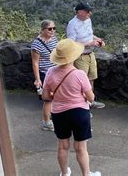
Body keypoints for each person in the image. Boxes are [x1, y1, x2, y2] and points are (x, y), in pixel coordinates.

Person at [42, 38, 101, 176]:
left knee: (63, 146)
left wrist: (57, 96)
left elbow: (45, 96)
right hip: (79, 113)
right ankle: (86, 174)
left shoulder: (50, 72)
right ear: (74, 56)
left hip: (59, 113)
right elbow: (91, 98)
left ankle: (64, 173)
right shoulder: (80, 74)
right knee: (81, 147)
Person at [66, 2, 105, 109]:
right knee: (82, 81)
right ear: (79, 12)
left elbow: (90, 35)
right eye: (87, 11)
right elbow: (71, 44)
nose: (90, 13)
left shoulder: (88, 20)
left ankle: (90, 101)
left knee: (91, 78)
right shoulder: (72, 24)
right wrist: (90, 43)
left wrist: (98, 40)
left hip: (90, 53)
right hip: (80, 56)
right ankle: (82, 106)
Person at [31, 20, 58, 131]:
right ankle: (46, 122)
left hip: (56, 71)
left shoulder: (55, 40)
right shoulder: (36, 44)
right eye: (50, 29)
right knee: (48, 99)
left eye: (54, 28)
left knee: (57, 96)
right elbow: (35, 63)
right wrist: (38, 79)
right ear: (43, 30)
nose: (52, 31)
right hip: (45, 73)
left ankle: (53, 117)